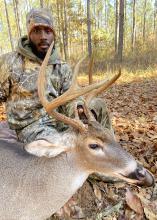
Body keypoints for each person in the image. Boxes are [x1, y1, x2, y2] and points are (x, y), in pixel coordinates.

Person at [0, 8, 112, 145]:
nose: (43, 36)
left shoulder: (61, 66)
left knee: (98, 105)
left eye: (47, 31)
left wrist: (79, 110)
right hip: (31, 128)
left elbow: (71, 98)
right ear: (29, 34)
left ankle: (113, 149)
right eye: (36, 31)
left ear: (53, 34)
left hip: (60, 120)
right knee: (62, 145)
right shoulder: (10, 62)